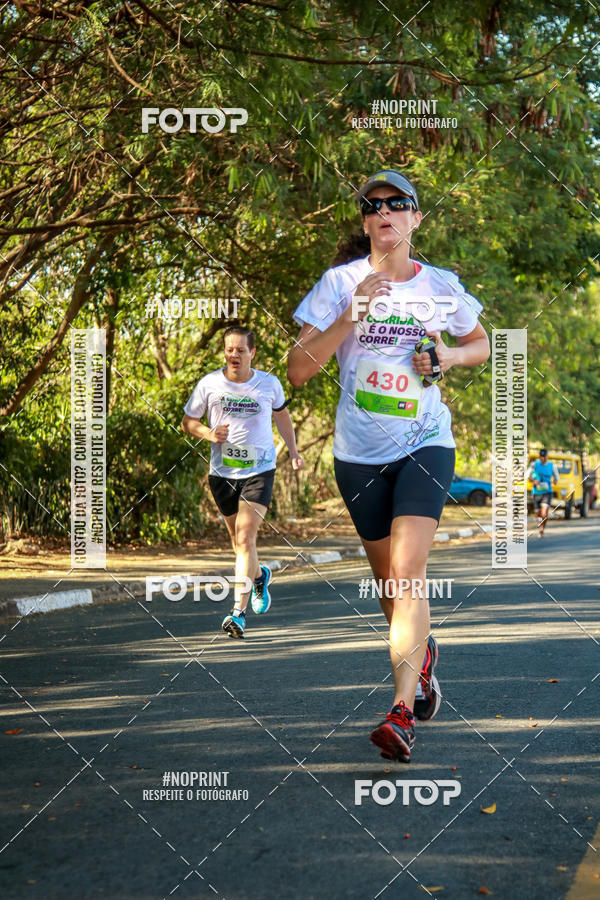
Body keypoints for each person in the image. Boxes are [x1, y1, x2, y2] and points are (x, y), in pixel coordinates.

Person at [288, 169, 490, 762]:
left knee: (406, 573)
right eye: (373, 205)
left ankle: (400, 710)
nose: (385, 212)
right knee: (391, 587)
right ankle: (422, 657)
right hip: (357, 456)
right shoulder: (337, 283)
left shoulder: (442, 285)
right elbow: (298, 371)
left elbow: (480, 343)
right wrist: (350, 315)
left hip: (425, 444)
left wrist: (448, 356)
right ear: (365, 220)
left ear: (416, 218)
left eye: (398, 204)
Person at [182, 325, 304, 638]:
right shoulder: (209, 383)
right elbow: (188, 423)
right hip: (222, 474)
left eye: (240, 350)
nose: (234, 355)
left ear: (253, 353)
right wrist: (207, 433)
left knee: (246, 536)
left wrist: (293, 451)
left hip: (260, 470)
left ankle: (238, 613)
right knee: (239, 544)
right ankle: (260, 575)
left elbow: (282, 416)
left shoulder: (268, 383)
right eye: (229, 349)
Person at [528, 448, 558, 537]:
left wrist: (553, 481)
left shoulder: (552, 466)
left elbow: (556, 479)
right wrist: (534, 481)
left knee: (544, 514)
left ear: (547, 457)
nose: (542, 458)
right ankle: (540, 521)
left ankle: (541, 530)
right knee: (538, 514)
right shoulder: (534, 465)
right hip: (536, 492)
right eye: (541, 456)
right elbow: (527, 476)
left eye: (544, 457)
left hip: (547, 492)